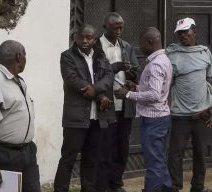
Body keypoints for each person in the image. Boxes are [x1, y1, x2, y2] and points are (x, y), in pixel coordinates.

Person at [53, 24, 116, 192]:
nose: (85, 41)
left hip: (96, 118)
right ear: (76, 37)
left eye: (89, 38)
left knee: (91, 159)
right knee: (68, 159)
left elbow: (109, 76)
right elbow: (73, 81)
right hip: (76, 118)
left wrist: (96, 90)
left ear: (95, 40)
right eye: (82, 37)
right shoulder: (67, 57)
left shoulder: (100, 57)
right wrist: (99, 95)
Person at [0, 40, 40, 192]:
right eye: (24, 55)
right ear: (19, 56)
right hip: (3, 154)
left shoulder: (18, 80)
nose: (25, 58)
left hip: (27, 151)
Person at [116, 28, 174, 192]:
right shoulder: (164, 59)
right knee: (159, 157)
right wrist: (137, 87)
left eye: (141, 43)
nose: (139, 47)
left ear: (150, 42)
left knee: (153, 161)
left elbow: (154, 95)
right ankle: (165, 187)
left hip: (153, 120)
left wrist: (128, 94)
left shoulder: (155, 64)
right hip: (161, 117)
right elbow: (155, 89)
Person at [166, 18, 212, 192]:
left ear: (195, 31)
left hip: (201, 114)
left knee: (201, 154)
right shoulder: (171, 54)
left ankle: (198, 187)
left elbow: (208, 81)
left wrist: (211, 106)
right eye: (179, 33)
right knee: (175, 153)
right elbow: (166, 85)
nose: (183, 35)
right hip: (179, 114)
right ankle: (175, 187)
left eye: (186, 31)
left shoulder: (205, 53)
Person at [96, 12, 139, 192]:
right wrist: (115, 67)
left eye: (121, 27)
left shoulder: (126, 46)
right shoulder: (96, 46)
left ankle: (116, 184)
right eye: (115, 28)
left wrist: (131, 78)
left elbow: (136, 72)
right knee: (105, 148)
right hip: (105, 105)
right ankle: (103, 185)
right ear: (105, 26)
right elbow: (93, 74)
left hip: (125, 106)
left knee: (122, 148)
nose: (119, 31)